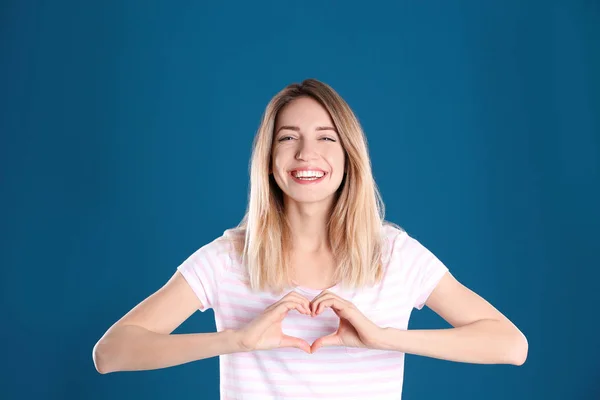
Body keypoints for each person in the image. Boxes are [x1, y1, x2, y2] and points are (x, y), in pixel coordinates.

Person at [92, 78, 528, 399]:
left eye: (325, 137)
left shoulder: (393, 253)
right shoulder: (229, 257)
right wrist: (237, 341)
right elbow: (111, 353)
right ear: (268, 160)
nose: (306, 154)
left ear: (349, 156)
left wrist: (385, 337)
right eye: (288, 138)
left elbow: (510, 344)